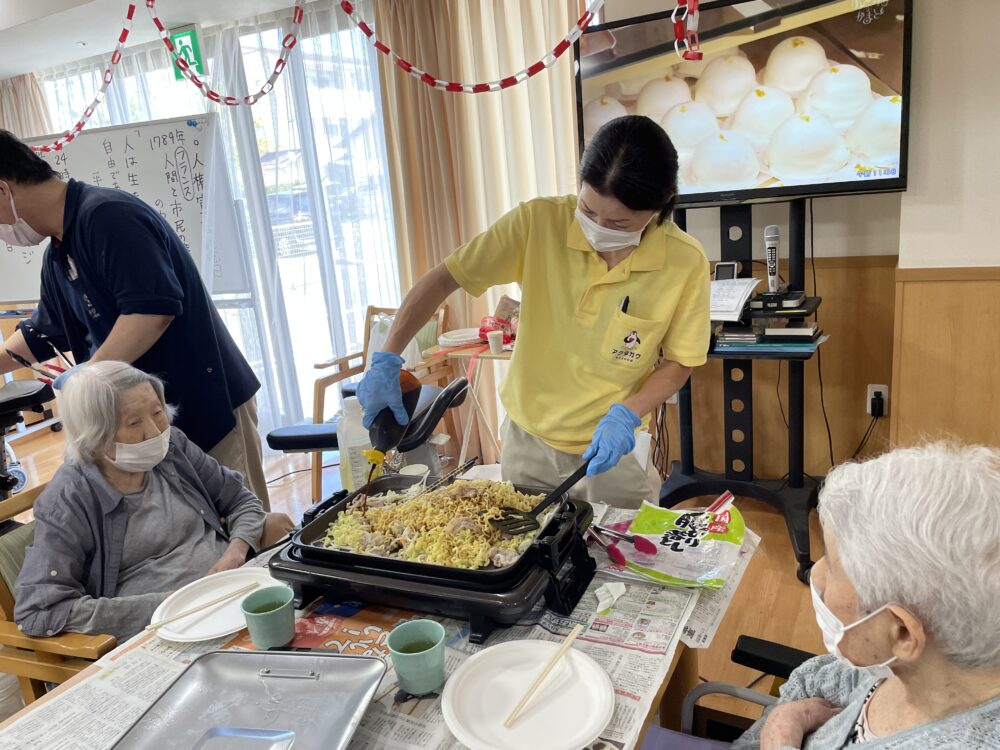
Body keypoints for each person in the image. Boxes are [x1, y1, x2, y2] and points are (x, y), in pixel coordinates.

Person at [359, 116, 710, 508]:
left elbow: (681, 361)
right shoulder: (537, 223)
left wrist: (628, 414)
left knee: (624, 559)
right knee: (528, 555)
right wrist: (387, 358)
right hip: (529, 443)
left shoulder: (685, 262)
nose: (598, 229)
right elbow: (443, 279)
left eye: (618, 223)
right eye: (588, 211)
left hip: (613, 449)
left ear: (660, 207)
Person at [0, 130, 270, 508]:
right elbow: (43, 333)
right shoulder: (60, 252)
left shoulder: (107, 216)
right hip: (149, 417)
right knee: (194, 536)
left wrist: (89, 378)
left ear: (2, 190)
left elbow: (151, 311)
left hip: (207, 401)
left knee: (244, 520)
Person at [734, 442, 1000, 750]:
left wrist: (779, 737)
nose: (815, 574)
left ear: (902, 632)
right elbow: (816, 682)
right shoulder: (909, 670)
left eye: (832, 566)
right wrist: (787, 719)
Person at [14, 361, 292, 642]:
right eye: (134, 423)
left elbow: (239, 499)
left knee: (281, 532)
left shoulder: (173, 446)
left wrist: (235, 552)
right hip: (162, 627)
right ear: (94, 435)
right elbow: (40, 609)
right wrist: (169, 603)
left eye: (158, 413)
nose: (155, 432)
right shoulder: (69, 497)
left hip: (230, 589)